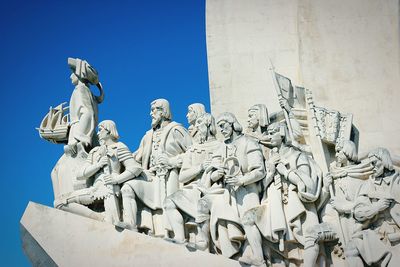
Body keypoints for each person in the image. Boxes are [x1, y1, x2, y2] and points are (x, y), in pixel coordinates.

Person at [249, 121, 322, 266]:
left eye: (272, 133)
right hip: (275, 202)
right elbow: (262, 188)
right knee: (250, 219)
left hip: (297, 201)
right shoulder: (269, 158)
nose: (268, 137)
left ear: (282, 134)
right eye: (268, 133)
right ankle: (261, 259)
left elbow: (308, 183)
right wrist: (270, 172)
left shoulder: (297, 155)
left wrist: (286, 172)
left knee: (309, 237)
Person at [197, 112, 266, 266]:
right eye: (219, 127)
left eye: (223, 125)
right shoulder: (222, 147)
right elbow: (212, 173)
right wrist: (217, 173)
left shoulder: (248, 143)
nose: (221, 130)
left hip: (247, 190)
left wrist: (241, 180)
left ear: (233, 123)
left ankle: (259, 258)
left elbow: (259, 170)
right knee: (219, 212)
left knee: (248, 221)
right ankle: (230, 254)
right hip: (228, 192)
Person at [120, 99, 192, 235]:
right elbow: (136, 157)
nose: (150, 113)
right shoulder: (148, 136)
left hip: (171, 177)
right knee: (128, 188)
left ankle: (177, 235)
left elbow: (193, 153)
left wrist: (172, 161)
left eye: (154, 110)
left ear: (163, 111)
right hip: (151, 178)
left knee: (169, 206)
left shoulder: (177, 130)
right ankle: (131, 225)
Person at [56, 120, 141, 224]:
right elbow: (80, 174)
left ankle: (108, 219)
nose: (98, 133)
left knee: (113, 221)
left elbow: (135, 168)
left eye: (100, 130)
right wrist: (98, 165)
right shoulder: (95, 151)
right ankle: (100, 218)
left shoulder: (119, 147)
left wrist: (116, 179)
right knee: (60, 202)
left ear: (109, 131)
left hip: (110, 188)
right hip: (95, 189)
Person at [164, 113, 220, 249]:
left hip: (215, 187)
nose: (196, 127)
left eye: (199, 124)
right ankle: (180, 237)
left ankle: (203, 240)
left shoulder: (220, 146)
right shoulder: (193, 150)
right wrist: (200, 167)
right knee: (168, 202)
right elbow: (182, 177)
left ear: (207, 124)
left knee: (202, 204)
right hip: (195, 187)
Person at [350, 148, 400, 267]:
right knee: (351, 248)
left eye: (374, 163)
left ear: (384, 161)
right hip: (375, 233)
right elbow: (358, 212)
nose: (371, 167)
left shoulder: (397, 182)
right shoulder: (368, 185)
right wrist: (376, 207)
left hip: (395, 233)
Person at [66, 57, 104, 155]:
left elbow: (87, 113)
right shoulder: (88, 92)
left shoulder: (80, 89)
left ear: (79, 74)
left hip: (79, 134)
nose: (70, 76)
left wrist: (79, 137)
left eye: (73, 72)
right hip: (90, 134)